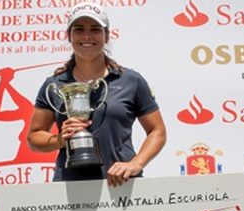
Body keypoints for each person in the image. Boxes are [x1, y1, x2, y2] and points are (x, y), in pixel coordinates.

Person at [27, 2, 166, 186]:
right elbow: (34, 137)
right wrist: (60, 139)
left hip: (121, 184)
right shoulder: (54, 85)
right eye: (79, 29)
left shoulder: (130, 80)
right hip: (70, 186)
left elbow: (157, 131)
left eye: (95, 29)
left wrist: (135, 164)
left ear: (106, 36)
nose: (87, 36)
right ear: (69, 36)